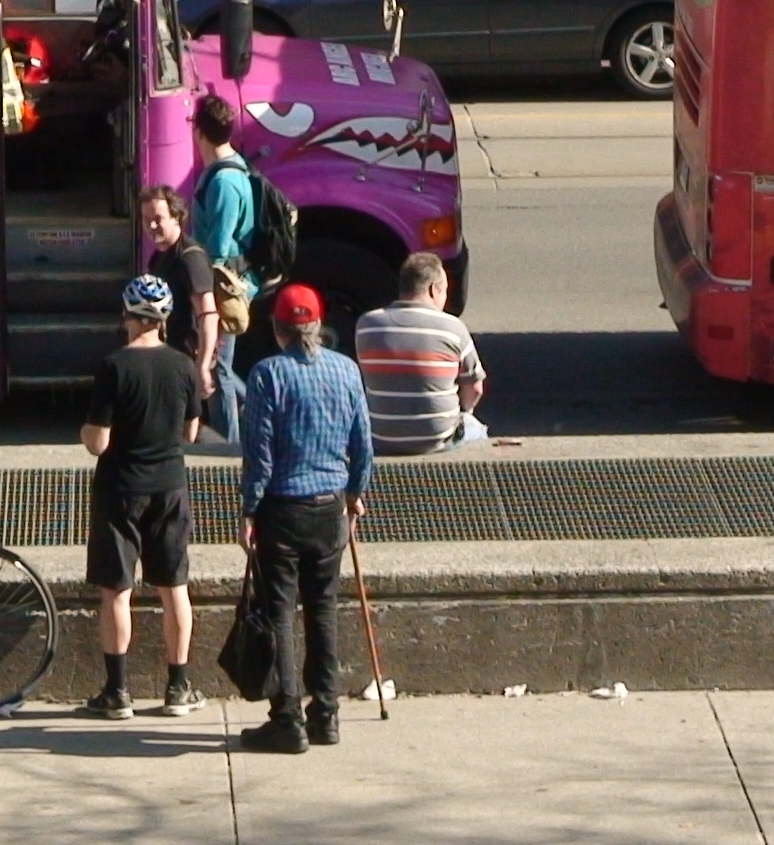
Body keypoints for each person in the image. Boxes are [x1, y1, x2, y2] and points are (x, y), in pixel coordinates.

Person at [236, 284, 374, 754]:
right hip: (329, 506)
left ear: (278, 328)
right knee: (323, 609)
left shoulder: (266, 375)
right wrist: (354, 493)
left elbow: (259, 452)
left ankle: (287, 717)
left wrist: (250, 509)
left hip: (282, 507)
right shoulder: (346, 371)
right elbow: (363, 444)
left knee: (280, 612)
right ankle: (327, 713)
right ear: (317, 326)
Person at [79, 275, 207, 720]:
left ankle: (117, 692)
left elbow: (97, 442)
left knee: (117, 590)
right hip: (169, 485)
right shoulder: (184, 366)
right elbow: (190, 432)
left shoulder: (113, 366)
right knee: (175, 589)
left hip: (120, 488)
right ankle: (178, 687)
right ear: (166, 319)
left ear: (127, 317)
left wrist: (84, 431)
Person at [355, 251, 488, 455]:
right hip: (436, 439)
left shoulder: (366, 325)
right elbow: (475, 388)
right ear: (434, 290)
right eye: (444, 290)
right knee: (477, 429)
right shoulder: (452, 327)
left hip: (379, 437)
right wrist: (464, 413)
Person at [190, 93, 253, 441]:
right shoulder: (222, 172)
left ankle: (230, 449)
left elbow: (220, 244)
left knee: (220, 370)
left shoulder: (225, 182)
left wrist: (200, 284)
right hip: (220, 283)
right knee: (221, 366)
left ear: (200, 132)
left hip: (223, 288)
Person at [140, 185, 222, 439]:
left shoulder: (189, 259)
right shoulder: (160, 257)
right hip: (172, 359)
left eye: (158, 219)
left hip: (189, 361)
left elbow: (208, 315)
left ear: (177, 217)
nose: (151, 227)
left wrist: (203, 366)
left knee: (192, 437)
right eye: (146, 220)